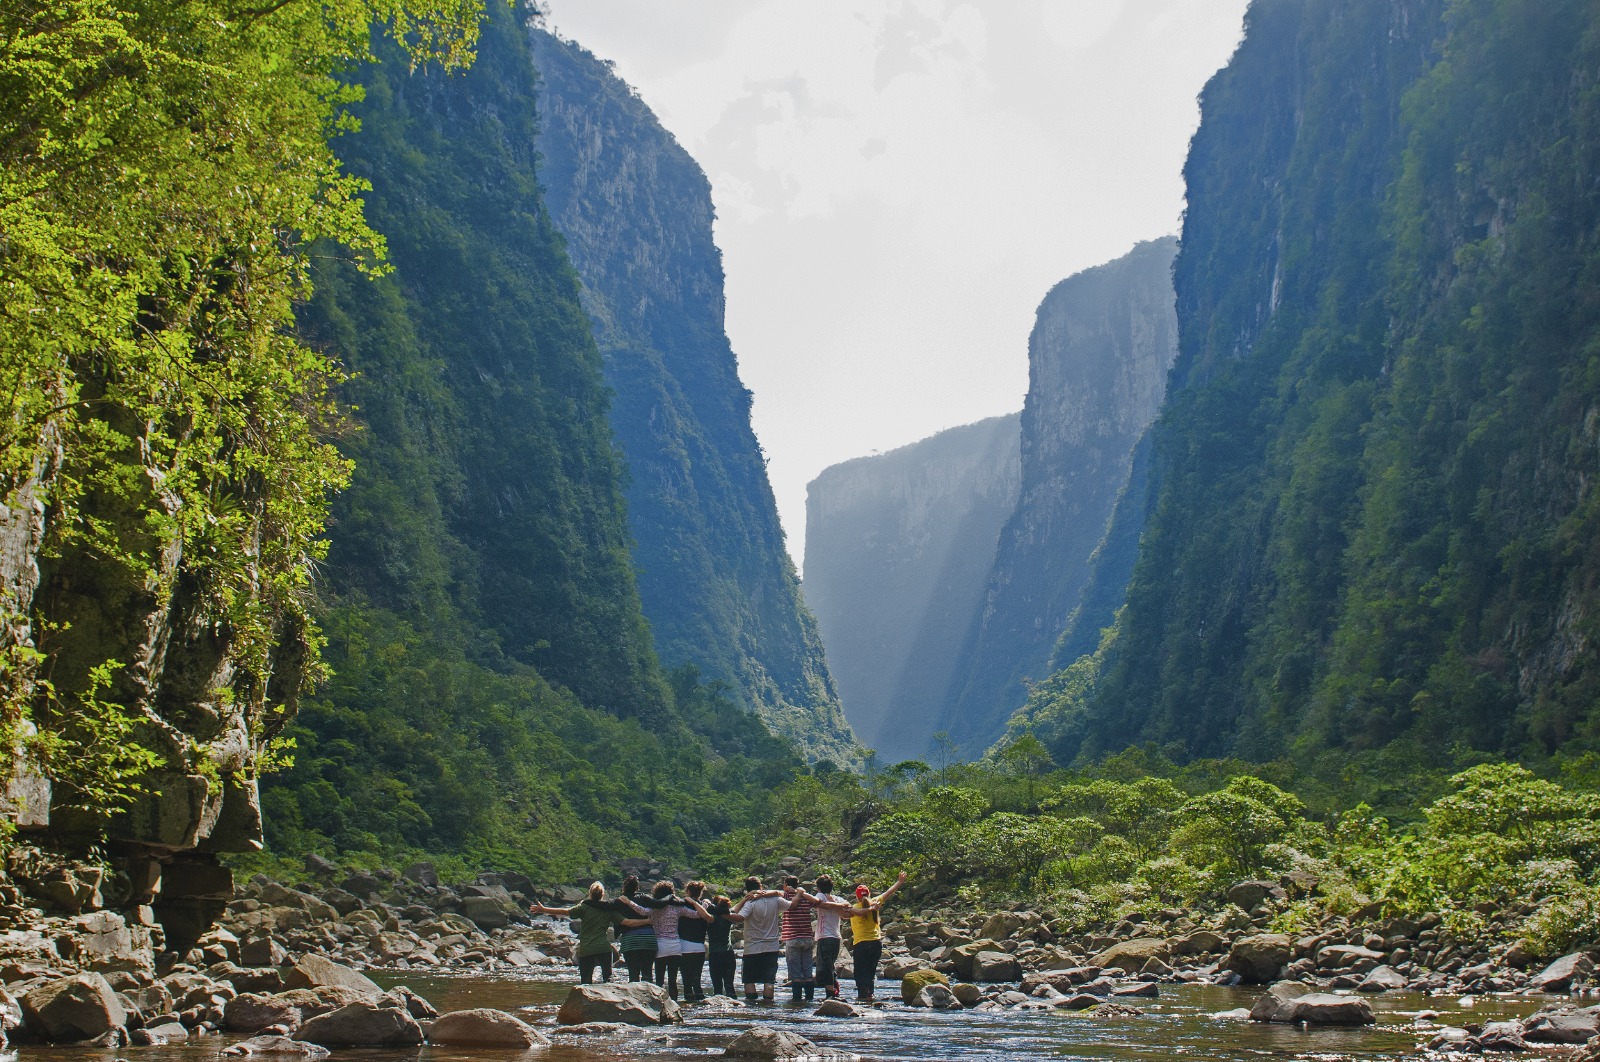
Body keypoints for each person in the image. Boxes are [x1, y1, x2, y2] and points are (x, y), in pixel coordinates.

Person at [529, 882, 646, 985]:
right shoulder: (608, 909)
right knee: (608, 980)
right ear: (602, 895)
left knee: (585, 981)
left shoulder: (584, 907)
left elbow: (565, 912)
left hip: (587, 949)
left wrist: (544, 909)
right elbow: (627, 922)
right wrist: (648, 921)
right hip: (603, 948)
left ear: (590, 893)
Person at [848, 871, 906, 1002]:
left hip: (861, 943)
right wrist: (900, 881)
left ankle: (863, 996)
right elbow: (889, 892)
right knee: (871, 970)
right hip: (876, 943)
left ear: (857, 897)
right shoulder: (875, 902)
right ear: (869, 894)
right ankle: (870, 994)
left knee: (860, 972)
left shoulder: (854, 908)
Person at [646, 879, 707, 1000]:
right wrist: (705, 904)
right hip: (675, 946)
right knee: (672, 979)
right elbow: (697, 915)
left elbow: (642, 911)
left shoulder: (655, 908)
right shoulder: (678, 908)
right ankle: (674, 1004)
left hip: (660, 945)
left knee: (659, 979)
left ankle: (661, 1003)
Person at [733, 875, 791, 1002]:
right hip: (772, 946)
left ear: (747, 890)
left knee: (749, 980)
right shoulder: (775, 899)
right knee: (769, 980)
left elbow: (739, 916)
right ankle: (768, 1005)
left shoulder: (750, 902)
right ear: (761, 886)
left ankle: (751, 1006)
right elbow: (790, 904)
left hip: (752, 947)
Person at [811, 873, 853, 999]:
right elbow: (846, 914)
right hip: (836, 937)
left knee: (825, 965)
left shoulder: (820, 896)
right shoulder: (839, 900)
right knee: (830, 964)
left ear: (818, 888)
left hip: (825, 936)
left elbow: (818, 903)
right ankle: (833, 988)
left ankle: (831, 993)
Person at [779, 875, 817, 1001]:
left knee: (795, 974)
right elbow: (816, 902)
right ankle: (809, 999)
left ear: (786, 885)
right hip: (807, 937)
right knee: (807, 972)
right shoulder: (806, 897)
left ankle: (797, 1001)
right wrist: (800, 892)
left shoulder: (785, 897)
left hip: (793, 937)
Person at [677, 881, 715, 1001]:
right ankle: (699, 1002)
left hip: (684, 946)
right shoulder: (704, 906)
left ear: (688, 891)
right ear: (700, 892)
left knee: (687, 981)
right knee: (697, 979)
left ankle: (689, 1005)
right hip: (700, 947)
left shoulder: (681, 905)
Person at [704, 891, 742, 997]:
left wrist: (704, 902)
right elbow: (737, 907)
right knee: (730, 987)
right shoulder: (729, 916)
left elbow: (702, 911)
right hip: (728, 954)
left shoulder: (711, 918)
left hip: (715, 955)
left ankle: (718, 1011)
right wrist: (746, 898)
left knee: (717, 988)